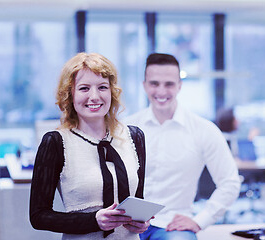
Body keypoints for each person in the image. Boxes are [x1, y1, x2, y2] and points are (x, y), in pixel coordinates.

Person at [29, 52, 150, 240]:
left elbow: (137, 200)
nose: (94, 96)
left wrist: (141, 222)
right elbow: (38, 216)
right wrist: (93, 220)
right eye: (84, 88)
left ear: (112, 91)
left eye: (102, 87)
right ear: (70, 94)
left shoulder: (134, 137)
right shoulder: (55, 142)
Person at [123, 53, 241, 240]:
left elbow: (230, 182)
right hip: (126, 224)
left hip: (171, 226)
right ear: (144, 85)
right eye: (154, 83)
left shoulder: (203, 130)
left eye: (169, 84)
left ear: (180, 85)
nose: (161, 91)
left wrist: (200, 220)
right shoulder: (125, 128)